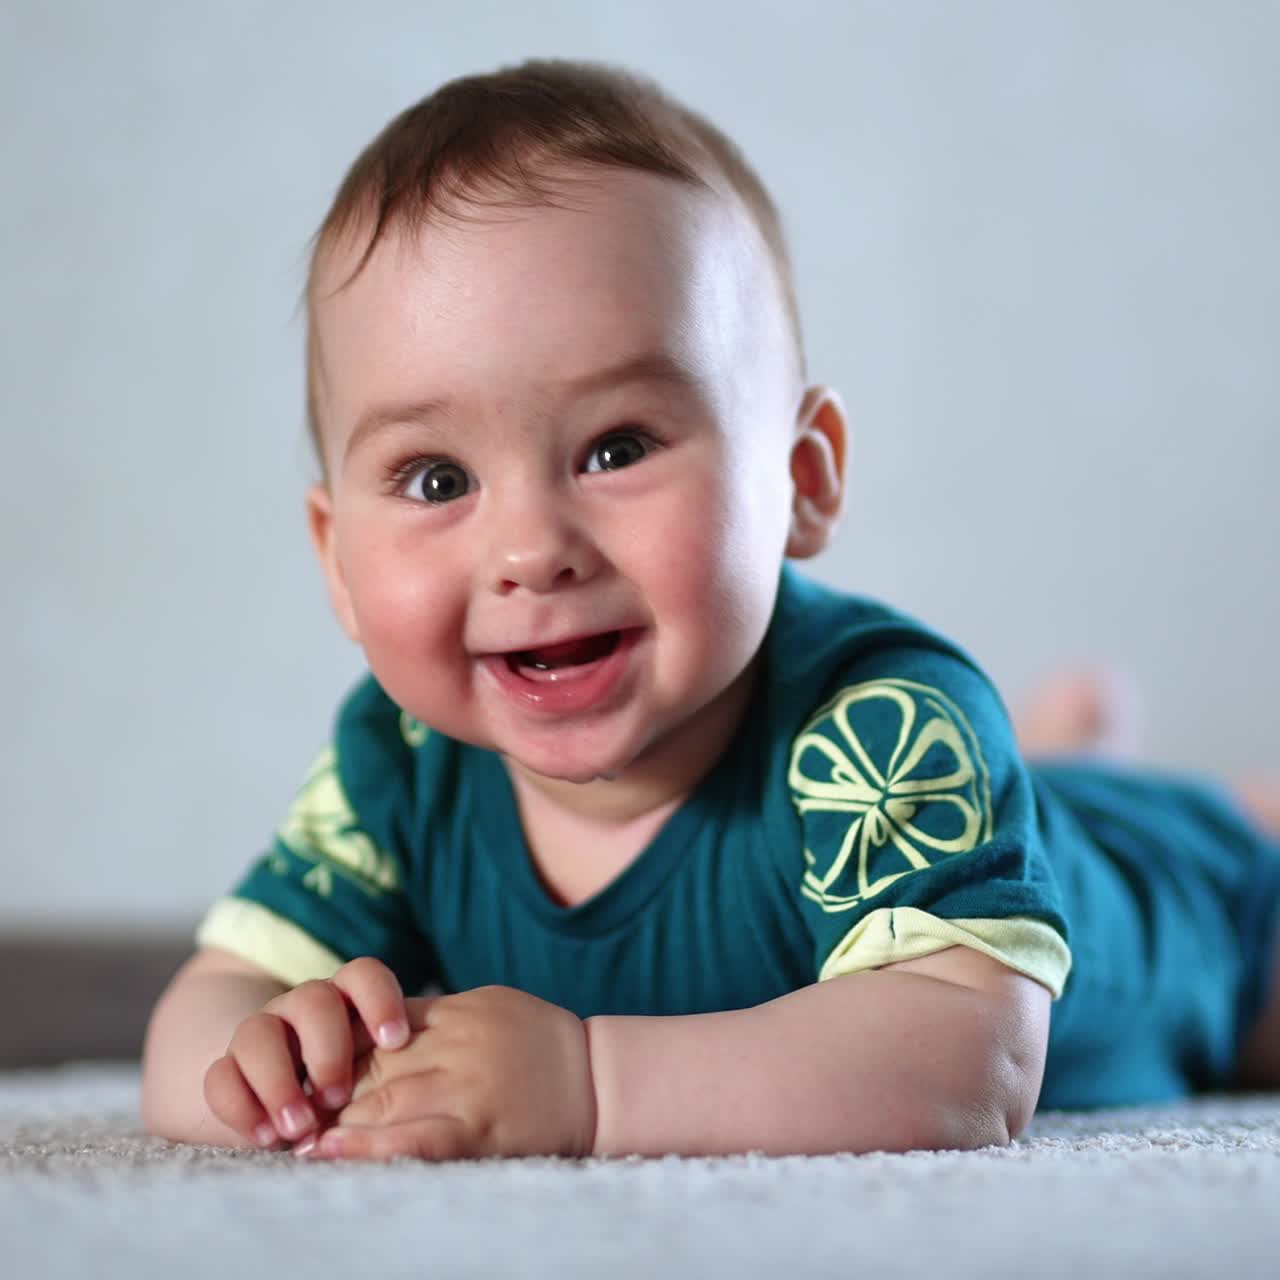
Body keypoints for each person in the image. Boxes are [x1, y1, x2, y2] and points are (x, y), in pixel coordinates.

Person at [140, 60, 1280, 1161]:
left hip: (1217, 932)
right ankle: (1060, 745)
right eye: (437, 479)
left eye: (615, 446)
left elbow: (967, 1061)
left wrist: (589, 1081)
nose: (531, 549)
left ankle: (1140, 785)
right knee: (1017, 793)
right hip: (950, 817)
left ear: (802, 475)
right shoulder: (398, 759)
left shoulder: (880, 726)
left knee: (1199, 865)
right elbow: (201, 1016)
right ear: (337, 556)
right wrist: (269, 1066)